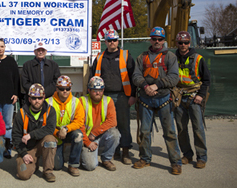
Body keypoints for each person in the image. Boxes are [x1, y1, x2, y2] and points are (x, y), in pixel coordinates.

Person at [132, 26, 182, 175]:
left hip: (164, 98)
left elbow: (174, 77)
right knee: (145, 131)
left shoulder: (170, 57)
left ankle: (176, 162)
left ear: (164, 41)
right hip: (146, 99)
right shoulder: (142, 57)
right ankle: (145, 158)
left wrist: (156, 85)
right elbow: (136, 76)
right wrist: (145, 86)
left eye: (160, 39)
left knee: (170, 132)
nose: (157, 41)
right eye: (154, 39)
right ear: (150, 40)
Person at [90, 29, 136, 165]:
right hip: (104, 97)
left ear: (118, 41)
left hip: (122, 96)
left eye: (114, 40)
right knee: (108, 125)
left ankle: (126, 151)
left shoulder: (126, 55)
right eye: (109, 40)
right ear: (105, 42)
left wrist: (133, 95)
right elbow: (93, 77)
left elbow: (133, 77)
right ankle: (114, 150)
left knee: (123, 124)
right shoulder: (99, 57)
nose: (112, 43)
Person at [173, 31, 210, 169]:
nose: (183, 45)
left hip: (195, 97)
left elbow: (206, 80)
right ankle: (187, 155)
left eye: (186, 43)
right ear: (177, 43)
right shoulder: (172, 58)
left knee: (198, 128)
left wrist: (201, 95)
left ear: (190, 43)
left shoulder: (198, 59)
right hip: (179, 97)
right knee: (181, 129)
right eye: (180, 43)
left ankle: (201, 157)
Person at [12, 83, 57, 182]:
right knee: (23, 175)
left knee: (50, 139)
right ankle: (34, 164)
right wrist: (23, 154)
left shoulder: (50, 111)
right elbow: (16, 136)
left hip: (42, 145)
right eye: (34, 98)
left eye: (40, 98)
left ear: (44, 97)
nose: (37, 101)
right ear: (29, 99)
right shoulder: (21, 113)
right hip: (28, 148)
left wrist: (31, 135)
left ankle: (48, 171)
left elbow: (50, 129)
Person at [80, 76, 120, 171]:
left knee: (115, 134)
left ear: (103, 90)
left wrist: (95, 133)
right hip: (87, 137)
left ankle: (106, 159)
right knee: (90, 166)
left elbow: (113, 121)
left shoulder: (108, 101)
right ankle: (83, 155)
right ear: (89, 90)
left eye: (100, 90)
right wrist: (87, 142)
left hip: (100, 135)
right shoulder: (82, 101)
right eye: (95, 90)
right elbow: (79, 125)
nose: (98, 93)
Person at [46, 75, 84, 177]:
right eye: (62, 89)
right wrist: (57, 132)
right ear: (57, 88)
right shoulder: (48, 102)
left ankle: (73, 165)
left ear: (71, 88)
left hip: (69, 131)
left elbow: (79, 121)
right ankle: (58, 155)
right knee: (57, 166)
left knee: (79, 136)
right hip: (55, 134)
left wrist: (66, 129)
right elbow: (44, 123)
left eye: (68, 88)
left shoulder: (76, 102)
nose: (65, 91)